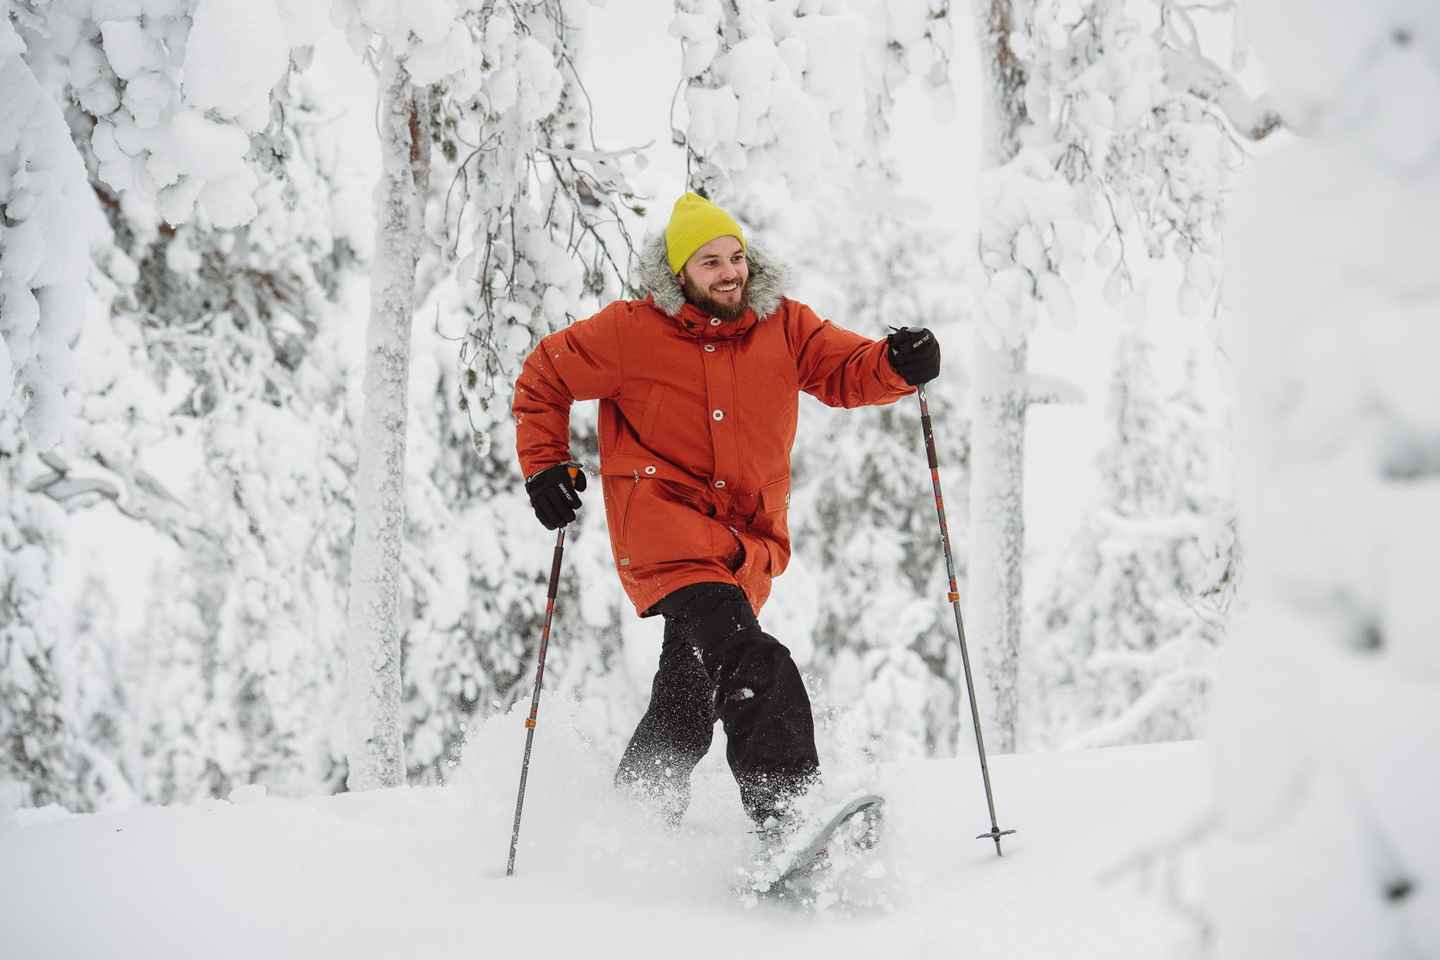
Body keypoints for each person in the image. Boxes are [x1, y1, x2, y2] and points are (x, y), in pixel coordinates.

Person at [512, 193, 940, 841]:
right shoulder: (632, 332)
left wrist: (899, 366)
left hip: (744, 550)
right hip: (666, 536)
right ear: (678, 273)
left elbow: (850, 370)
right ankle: (787, 816)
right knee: (749, 659)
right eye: (709, 261)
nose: (729, 271)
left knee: (685, 703)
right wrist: (545, 465)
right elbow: (546, 373)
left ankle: (632, 822)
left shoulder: (784, 327)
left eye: (736, 256)